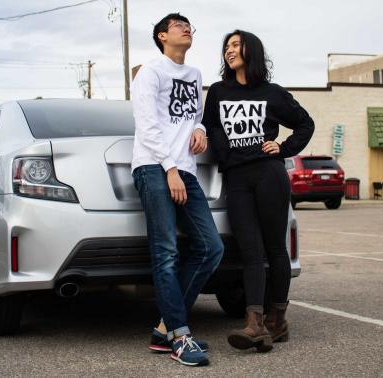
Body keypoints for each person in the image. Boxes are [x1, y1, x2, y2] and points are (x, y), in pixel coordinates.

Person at [202, 30, 315, 352]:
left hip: (269, 174)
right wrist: (225, 155)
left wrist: (283, 148)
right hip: (236, 179)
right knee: (250, 252)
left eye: (235, 45)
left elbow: (305, 123)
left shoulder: (273, 93)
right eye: (226, 46)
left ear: (251, 50)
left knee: (275, 250)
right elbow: (210, 127)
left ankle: (276, 321)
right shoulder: (219, 92)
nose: (229, 51)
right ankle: (255, 323)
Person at [131, 13, 224, 367]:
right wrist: (169, 168)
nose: (187, 29)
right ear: (162, 36)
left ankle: (164, 329)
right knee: (166, 251)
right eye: (178, 25)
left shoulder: (195, 75)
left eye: (190, 26)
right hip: (155, 167)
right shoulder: (151, 71)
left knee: (211, 247)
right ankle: (180, 337)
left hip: (185, 169)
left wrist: (200, 130)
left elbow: (191, 115)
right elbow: (148, 123)